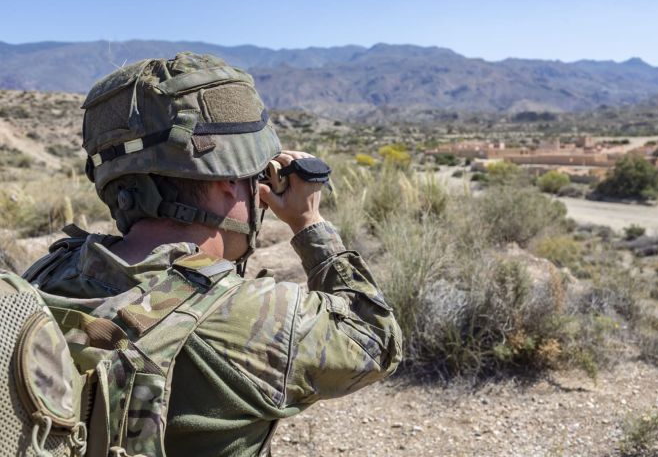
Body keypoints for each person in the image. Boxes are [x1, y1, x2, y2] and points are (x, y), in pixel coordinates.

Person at [23, 52, 402, 457]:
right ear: (225, 185)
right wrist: (308, 222)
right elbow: (377, 340)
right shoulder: (252, 314)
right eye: (255, 177)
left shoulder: (46, 272)